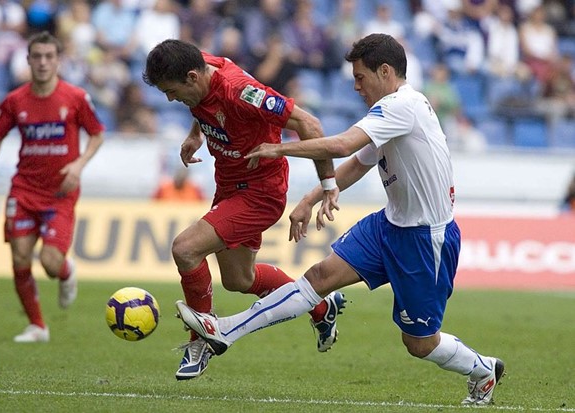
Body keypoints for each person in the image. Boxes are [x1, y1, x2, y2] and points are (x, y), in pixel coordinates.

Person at [176, 33, 505, 406]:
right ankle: (225, 331)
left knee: (420, 343)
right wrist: (312, 196)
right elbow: (358, 163)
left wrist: (278, 147)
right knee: (319, 278)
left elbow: (341, 144)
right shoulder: (390, 113)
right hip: (388, 226)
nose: (355, 85)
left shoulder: (402, 107)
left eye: (361, 77)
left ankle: (483, 369)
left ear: (385, 71)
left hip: (425, 238)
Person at [142, 39, 345, 381]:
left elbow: (310, 124)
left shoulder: (242, 92)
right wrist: (197, 134)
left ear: (192, 77)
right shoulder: (198, 67)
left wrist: (327, 185)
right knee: (240, 280)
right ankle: (321, 307)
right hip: (229, 184)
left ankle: (202, 340)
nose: (170, 99)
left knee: (185, 249)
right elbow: (203, 104)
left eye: (172, 91)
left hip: (259, 193)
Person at [0, 31, 104, 343]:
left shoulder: (75, 97)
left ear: (58, 61)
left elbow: (97, 134)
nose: (43, 62)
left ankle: (65, 272)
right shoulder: (15, 100)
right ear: (29, 60)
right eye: (37, 57)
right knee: (20, 257)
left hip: (60, 192)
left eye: (49, 56)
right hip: (23, 189)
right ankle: (37, 326)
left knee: (49, 263)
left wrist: (78, 164)